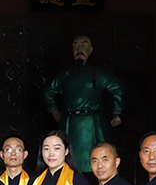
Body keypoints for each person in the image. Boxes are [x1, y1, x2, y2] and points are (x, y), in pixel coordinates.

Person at [43, 35, 124, 173]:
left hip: (93, 122)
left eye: (83, 45)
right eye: (75, 46)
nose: (79, 49)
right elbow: (48, 92)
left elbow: (117, 88)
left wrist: (116, 113)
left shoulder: (98, 72)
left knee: (97, 157)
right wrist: (55, 112)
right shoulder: (65, 75)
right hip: (69, 121)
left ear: (91, 50)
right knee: (67, 163)